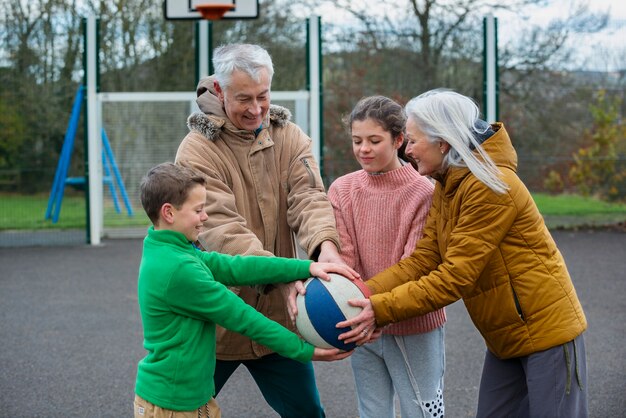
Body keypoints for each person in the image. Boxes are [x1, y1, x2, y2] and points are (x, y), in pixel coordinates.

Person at [338, 89, 588, 418]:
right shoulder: (448, 183)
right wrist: (361, 291)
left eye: (413, 141)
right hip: (505, 335)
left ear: (442, 142)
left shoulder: (489, 185)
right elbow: (423, 260)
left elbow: (455, 277)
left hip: (547, 334)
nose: (408, 150)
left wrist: (378, 309)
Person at [174, 43, 345, 417]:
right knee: (182, 411)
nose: (255, 109)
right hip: (217, 319)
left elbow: (309, 198)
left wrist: (325, 250)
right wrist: (283, 276)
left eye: (263, 96)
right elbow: (221, 229)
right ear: (219, 92)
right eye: (243, 99)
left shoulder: (290, 137)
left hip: (277, 320)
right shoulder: (197, 149)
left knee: (307, 413)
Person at [133, 162, 355, 418]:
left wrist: (306, 268)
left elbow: (236, 267)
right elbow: (242, 317)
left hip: (188, 399)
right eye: (198, 210)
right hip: (172, 405)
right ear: (169, 213)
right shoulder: (178, 268)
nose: (205, 216)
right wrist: (304, 350)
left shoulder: (173, 249)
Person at [327, 95, 446, 418]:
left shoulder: (424, 191)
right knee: (372, 411)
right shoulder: (342, 189)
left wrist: (374, 308)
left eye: (374, 140)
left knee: (423, 410)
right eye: (357, 140)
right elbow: (345, 258)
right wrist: (357, 310)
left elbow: (416, 264)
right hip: (360, 321)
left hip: (414, 324)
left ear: (399, 140)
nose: (363, 149)